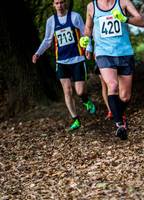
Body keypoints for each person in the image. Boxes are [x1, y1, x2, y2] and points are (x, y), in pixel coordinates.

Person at [80, 0, 144, 140]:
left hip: (124, 53)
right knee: (112, 85)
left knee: (125, 96)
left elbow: (141, 22)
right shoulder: (91, 7)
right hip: (104, 53)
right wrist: (86, 41)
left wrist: (125, 18)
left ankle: (119, 114)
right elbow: (88, 28)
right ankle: (120, 125)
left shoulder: (123, 2)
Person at [32, 0, 96, 132]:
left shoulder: (75, 16)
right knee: (67, 91)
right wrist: (38, 53)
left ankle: (85, 100)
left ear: (65, 3)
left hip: (77, 59)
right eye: (56, 3)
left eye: (61, 2)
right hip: (61, 61)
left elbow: (85, 34)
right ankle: (75, 119)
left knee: (80, 91)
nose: (59, 5)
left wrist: (88, 48)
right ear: (53, 5)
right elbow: (48, 40)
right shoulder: (51, 21)